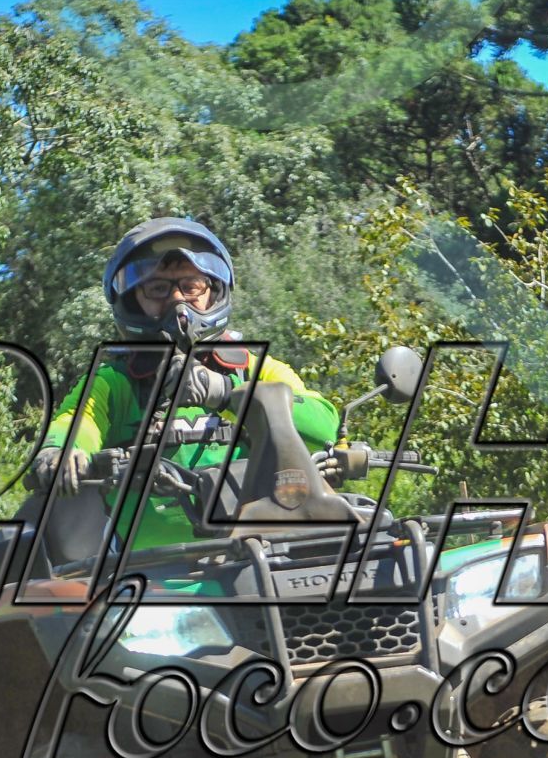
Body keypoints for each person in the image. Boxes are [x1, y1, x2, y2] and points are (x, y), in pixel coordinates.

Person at [28, 217, 340, 551]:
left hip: (257, 555)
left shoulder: (252, 369)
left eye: (191, 287)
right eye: (157, 289)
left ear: (214, 292)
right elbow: (78, 420)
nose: (178, 302)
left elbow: (324, 424)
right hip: (151, 570)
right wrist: (61, 450)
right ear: (132, 300)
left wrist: (224, 393)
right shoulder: (115, 380)